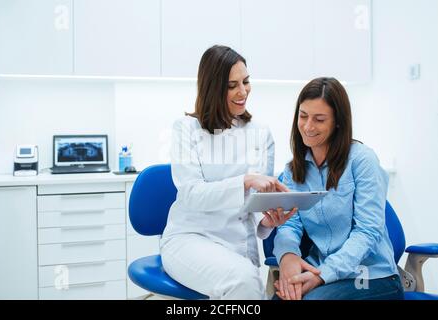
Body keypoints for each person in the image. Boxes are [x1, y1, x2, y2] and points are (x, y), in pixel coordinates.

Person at [160, 45, 297, 300]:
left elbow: (254, 208)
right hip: (191, 239)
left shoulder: (261, 133)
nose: (242, 91)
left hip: (238, 244)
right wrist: (245, 181)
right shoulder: (186, 129)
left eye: (246, 82)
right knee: (243, 281)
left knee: (245, 280)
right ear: (212, 87)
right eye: (232, 85)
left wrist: (267, 221)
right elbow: (192, 195)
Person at [273, 77, 404, 300]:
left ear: (337, 123)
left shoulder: (362, 161)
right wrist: (288, 258)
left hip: (370, 277)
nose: (307, 126)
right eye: (303, 116)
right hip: (319, 271)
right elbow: (289, 224)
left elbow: (367, 231)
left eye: (319, 119)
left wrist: (323, 274)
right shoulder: (293, 170)